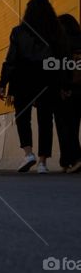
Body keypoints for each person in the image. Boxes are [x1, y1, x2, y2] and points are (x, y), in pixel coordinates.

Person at [0, 0, 65, 173]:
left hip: (22, 79)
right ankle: (43, 163)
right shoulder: (56, 32)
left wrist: (2, 82)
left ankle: (28, 154)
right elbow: (60, 59)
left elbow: (10, 60)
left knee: (23, 117)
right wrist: (62, 83)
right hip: (47, 79)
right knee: (45, 119)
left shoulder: (18, 32)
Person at [56, 13, 81, 172]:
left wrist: (63, 88)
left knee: (64, 126)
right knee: (74, 125)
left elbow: (60, 68)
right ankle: (68, 161)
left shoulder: (61, 44)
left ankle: (72, 159)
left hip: (67, 90)